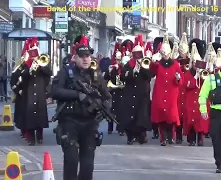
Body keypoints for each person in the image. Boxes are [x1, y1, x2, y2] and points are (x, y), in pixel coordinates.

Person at [51, 35, 111, 180]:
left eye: (88, 56)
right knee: (71, 160)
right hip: (70, 122)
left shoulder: (96, 75)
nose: (86, 59)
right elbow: (54, 91)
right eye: (82, 56)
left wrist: (104, 109)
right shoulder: (66, 73)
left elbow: (107, 96)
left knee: (87, 164)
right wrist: (77, 95)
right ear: (75, 58)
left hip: (90, 123)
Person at [119, 34, 152, 145]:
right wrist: (133, 71)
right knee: (130, 116)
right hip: (130, 93)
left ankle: (141, 135)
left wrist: (142, 67)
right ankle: (130, 136)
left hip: (142, 94)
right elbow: (123, 77)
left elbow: (149, 75)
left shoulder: (146, 63)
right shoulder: (128, 64)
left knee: (141, 116)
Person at [150, 34, 183, 146]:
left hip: (171, 93)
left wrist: (178, 78)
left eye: (166, 54)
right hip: (160, 93)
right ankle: (162, 138)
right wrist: (153, 60)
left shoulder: (175, 64)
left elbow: (180, 80)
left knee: (171, 117)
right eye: (163, 54)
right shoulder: (158, 64)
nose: (165, 56)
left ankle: (171, 136)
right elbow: (151, 70)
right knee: (161, 118)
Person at [183, 40, 209, 146]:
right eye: (194, 63)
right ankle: (191, 139)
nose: (195, 65)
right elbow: (187, 85)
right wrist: (195, 78)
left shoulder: (203, 73)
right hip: (190, 100)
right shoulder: (188, 74)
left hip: (201, 100)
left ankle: (201, 138)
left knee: (200, 120)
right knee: (190, 120)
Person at [104, 42, 125, 136]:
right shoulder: (111, 67)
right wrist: (109, 71)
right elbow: (106, 79)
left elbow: (123, 78)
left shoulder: (122, 68)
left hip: (120, 91)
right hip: (112, 91)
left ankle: (120, 128)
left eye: (119, 60)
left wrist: (119, 69)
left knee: (121, 111)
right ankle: (110, 127)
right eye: (116, 60)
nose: (117, 61)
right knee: (111, 110)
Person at [176, 32, 190, 144]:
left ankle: (190, 135)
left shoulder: (191, 60)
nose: (183, 54)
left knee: (188, 113)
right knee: (178, 114)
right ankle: (178, 135)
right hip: (178, 89)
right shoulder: (175, 60)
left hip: (188, 89)